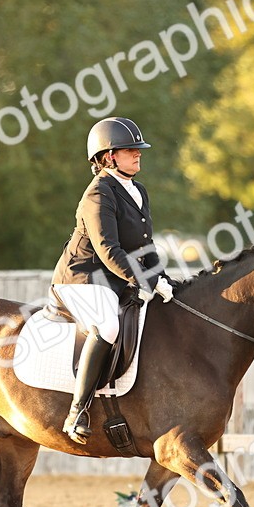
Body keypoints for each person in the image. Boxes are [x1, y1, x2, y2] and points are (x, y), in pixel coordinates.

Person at [50, 117, 174, 444]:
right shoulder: (98, 194)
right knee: (108, 326)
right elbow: (108, 249)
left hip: (114, 280)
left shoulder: (138, 190)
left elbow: (144, 246)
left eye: (138, 149)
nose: (138, 154)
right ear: (108, 157)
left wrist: (161, 278)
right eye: (130, 150)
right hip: (82, 278)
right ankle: (77, 410)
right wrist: (143, 281)